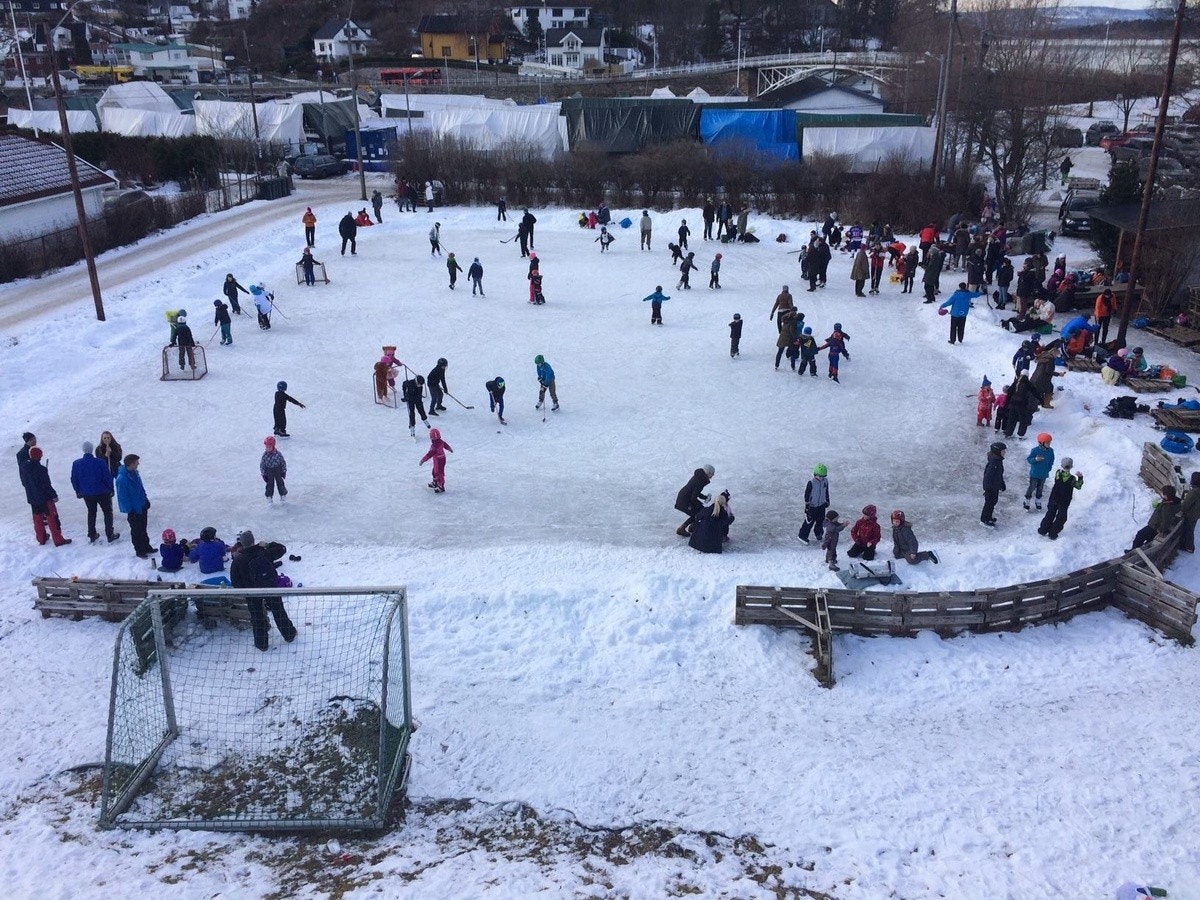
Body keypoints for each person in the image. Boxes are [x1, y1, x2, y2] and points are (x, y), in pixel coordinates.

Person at [230, 529, 297, 652]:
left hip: (251, 592)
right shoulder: (264, 552)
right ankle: (289, 634)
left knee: (257, 617)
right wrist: (267, 544)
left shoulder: (238, 560)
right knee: (278, 611)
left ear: (242, 544)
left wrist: (245, 589)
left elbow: (235, 582)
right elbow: (282, 548)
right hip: (269, 587)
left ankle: (261, 644)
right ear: (253, 540)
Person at [71, 441, 118, 544]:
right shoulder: (100, 462)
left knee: (91, 512)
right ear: (92, 449)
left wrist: (78, 490)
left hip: (87, 493)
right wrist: (111, 488)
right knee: (107, 512)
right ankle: (109, 534)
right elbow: (107, 476)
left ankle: (92, 534)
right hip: (102, 492)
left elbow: (74, 479)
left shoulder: (76, 463)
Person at [24, 447, 70, 546]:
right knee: (52, 519)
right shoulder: (41, 470)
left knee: (37, 519)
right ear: (40, 456)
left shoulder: (25, 467)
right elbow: (46, 485)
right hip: (45, 498)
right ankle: (58, 540)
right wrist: (54, 495)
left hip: (33, 498)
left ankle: (41, 538)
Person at [116, 453, 153, 557]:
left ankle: (146, 547)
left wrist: (145, 499)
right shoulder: (122, 478)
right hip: (134, 510)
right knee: (136, 531)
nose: (138, 464)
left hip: (141, 506)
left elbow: (140, 488)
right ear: (131, 463)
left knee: (143, 528)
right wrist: (130, 510)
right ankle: (139, 550)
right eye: (137, 462)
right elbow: (122, 497)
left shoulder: (135, 473)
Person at [1038, 459, 1084, 540]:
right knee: (1061, 517)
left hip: (1053, 497)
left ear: (1062, 466)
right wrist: (1080, 478)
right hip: (1064, 500)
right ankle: (1053, 533)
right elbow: (1078, 486)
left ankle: (1043, 529)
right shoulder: (1072, 478)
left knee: (1050, 513)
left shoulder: (1057, 473)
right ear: (1071, 467)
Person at [1130, 484, 1182, 551]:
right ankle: (1140, 551)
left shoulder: (1167, 507)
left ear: (1166, 495)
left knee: (1140, 534)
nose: (1161, 494)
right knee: (1149, 539)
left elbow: (1166, 520)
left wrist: (1161, 529)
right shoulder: (1170, 501)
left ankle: (1133, 551)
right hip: (1155, 525)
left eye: (1162, 493)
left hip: (1155, 527)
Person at [674, 464, 714, 537]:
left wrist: (704, 498)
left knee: (700, 511)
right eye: (712, 474)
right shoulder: (701, 481)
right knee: (699, 512)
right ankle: (682, 529)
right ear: (707, 473)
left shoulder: (699, 477)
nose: (712, 476)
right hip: (684, 500)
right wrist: (700, 505)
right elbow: (693, 497)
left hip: (684, 497)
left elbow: (695, 492)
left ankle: (692, 527)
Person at [797, 463, 830, 544]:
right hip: (812, 506)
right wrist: (807, 506)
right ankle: (802, 536)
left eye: (823, 476)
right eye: (819, 476)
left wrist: (827, 500)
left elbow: (826, 491)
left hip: (821, 505)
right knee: (809, 522)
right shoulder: (811, 482)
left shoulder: (825, 481)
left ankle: (819, 533)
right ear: (815, 474)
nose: (821, 478)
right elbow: (807, 495)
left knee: (820, 521)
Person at [1023, 433, 1055, 511]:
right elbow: (1029, 459)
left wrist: (1049, 468)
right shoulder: (1035, 450)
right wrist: (1035, 460)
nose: (1049, 444)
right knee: (1032, 486)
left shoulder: (1051, 451)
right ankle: (1027, 499)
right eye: (1047, 443)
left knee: (1040, 488)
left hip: (1044, 474)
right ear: (1041, 443)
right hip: (1035, 473)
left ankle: (1038, 500)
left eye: (1049, 442)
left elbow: (1051, 460)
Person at [981, 441, 1007, 527]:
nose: (1004, 453)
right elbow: (987, 477)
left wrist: (1002, 483)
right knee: (989, 504)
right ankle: (984, 519)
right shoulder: (994, 464)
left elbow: (999, 475)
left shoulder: (998, 461)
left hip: (995, 487)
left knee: (993, 502)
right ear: (997, 452)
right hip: (990, 488)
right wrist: (987, 489)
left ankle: (989, 517)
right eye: (1003, 451)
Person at [420, 427, 454, 493]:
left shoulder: (434, 446)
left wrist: (423, 460)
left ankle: (441, 486)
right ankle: (435, 482)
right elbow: (446, 445)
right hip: (439, 459)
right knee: (434, 471)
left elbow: (429, 455)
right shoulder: (441, 441)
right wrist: (449, 449)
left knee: (439, 473)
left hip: (439, 460)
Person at [1177, 471, 1200, 553]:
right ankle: (1187, 545)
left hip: (1191, 514)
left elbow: (1186, 504)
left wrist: (1180, 509)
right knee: (1190, 529)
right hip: (1197, 513)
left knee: (1189, 530)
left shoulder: (1194, 491)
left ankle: (1189, 547)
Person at [261, 435, 287, 504]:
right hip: (269, 471)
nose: (268, 448)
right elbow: (262, 465)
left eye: (269, 447)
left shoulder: (278, 454)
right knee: (270, 484)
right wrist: (264, 474)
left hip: (277, 470)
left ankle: (283, 494)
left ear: (273, 446)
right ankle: (269, 496)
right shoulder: (265, 455)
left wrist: (283, 471)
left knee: (280, 482)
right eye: (266, 447)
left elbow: (282, 462)